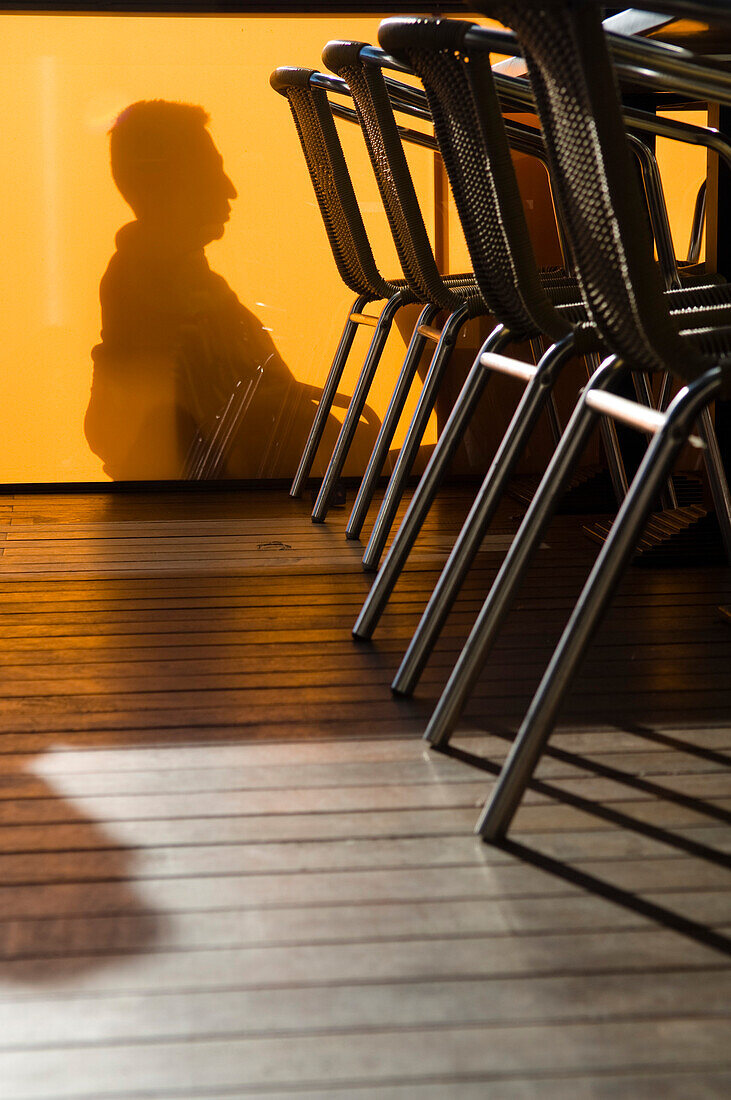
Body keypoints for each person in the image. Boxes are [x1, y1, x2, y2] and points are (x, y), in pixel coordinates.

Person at [85, 99, 369, 480]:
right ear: (167, 187)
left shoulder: (168, 280)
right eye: (211, 173)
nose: (230, 190)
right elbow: (215, 437)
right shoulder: (168, 293)